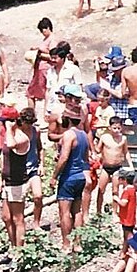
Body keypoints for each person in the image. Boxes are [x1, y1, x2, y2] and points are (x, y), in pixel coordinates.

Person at [50, 107, 89, 252]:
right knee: (77, 211)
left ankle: (66, 244)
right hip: (80, 176)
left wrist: (54, 176)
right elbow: (84, 157)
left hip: (69, 177)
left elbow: (64, 157)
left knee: (64, 212)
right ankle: (77, 243)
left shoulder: (68, 135)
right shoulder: (83, 135)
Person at [0, 109, 31, 249]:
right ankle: (12, 246)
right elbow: (3, 155)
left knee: (18, 218)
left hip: (18, 182)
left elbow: (12, 145)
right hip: (7, 181)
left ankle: (19, 250)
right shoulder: (9, 135)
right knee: (6, 217)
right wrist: (0, 178)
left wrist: (9, 127)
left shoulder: (21, 137)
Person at [96, 116, 132, 215]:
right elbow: (98, 150)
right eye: (114, 128)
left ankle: (115, 213)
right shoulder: (104, 137)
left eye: (119, 128)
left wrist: (131, 165)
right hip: (106, 167)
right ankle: (98, 211)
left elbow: (126, 152)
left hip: (117, 167)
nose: (116, 131)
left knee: (115, 190)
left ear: (122, 128)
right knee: (101, 189)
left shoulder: (123, 139)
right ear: (110, 127)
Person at [26, 18, 55, 110]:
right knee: (31, 92)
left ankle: (46, 112)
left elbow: (53, 56)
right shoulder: (46, 39)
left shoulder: (52, 40)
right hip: (39, 68)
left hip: (45, 68)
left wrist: (40, 53)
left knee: (45, 92)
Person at [113, 168, 137, 255]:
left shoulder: (127, 191)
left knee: (128, 235)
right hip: (129, 216)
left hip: (127, 217)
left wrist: (116, 199)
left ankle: (127, 251)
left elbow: (123, 203)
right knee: (127, 234)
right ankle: (125, 251)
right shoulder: (132, 189)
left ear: (124, 180)